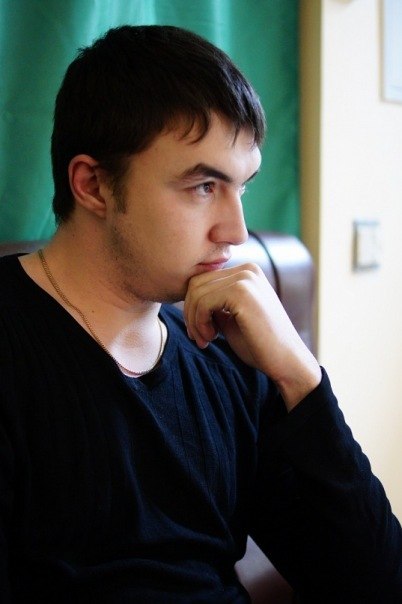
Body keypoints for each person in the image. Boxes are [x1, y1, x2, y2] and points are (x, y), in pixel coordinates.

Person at [0, 25, 401, 604]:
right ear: (93, 185)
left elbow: (375, 583)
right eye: (204, 186)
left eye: (242, 187)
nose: (236, 232)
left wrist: (299, 374)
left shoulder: (232, 353)